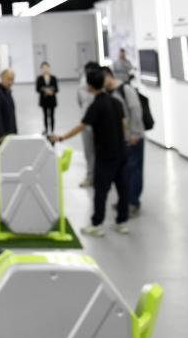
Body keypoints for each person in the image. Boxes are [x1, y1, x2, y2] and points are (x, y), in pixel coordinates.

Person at [51, 66, 129, 236]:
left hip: (105, 155)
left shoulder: (96, 105)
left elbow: (82, 126)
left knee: (100, 190)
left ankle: (97, 224)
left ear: (89, 86)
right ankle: (122, 222)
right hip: (121, 152)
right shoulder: (116, 102)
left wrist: (61, 138)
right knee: (123, 188)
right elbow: (124, 125)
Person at [103, 67, 144, 216]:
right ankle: (125, 200)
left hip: (133, 138)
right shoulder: (108, 93)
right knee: (124, 171)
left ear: (109, 76)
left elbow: (136, 110)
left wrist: (135, 133)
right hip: (120, 139)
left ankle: (133, 202)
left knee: (134, 170)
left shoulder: (125, 89)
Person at [76, 61, 99, 187]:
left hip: (97, 123)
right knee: (90, 152)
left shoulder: (98, 84)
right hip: (87, 123)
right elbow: (80, 102)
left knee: (94, 151)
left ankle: (96, 176)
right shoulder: (82, 84)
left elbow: (80, 102)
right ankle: (91, 176)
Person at [35, 62, 59, 134]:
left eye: (46, 68)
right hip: (44, 100)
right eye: (43, 68)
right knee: (45, 116)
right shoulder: (39, 78)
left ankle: (52, 130)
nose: (45, 69)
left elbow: (56, 89)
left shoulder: (53, 78)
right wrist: (45, 91)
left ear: (49, 68)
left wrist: (52, 92)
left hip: (52, 100)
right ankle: (46, 129)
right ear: (41, 69)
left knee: (52, 116)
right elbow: (37, 89)